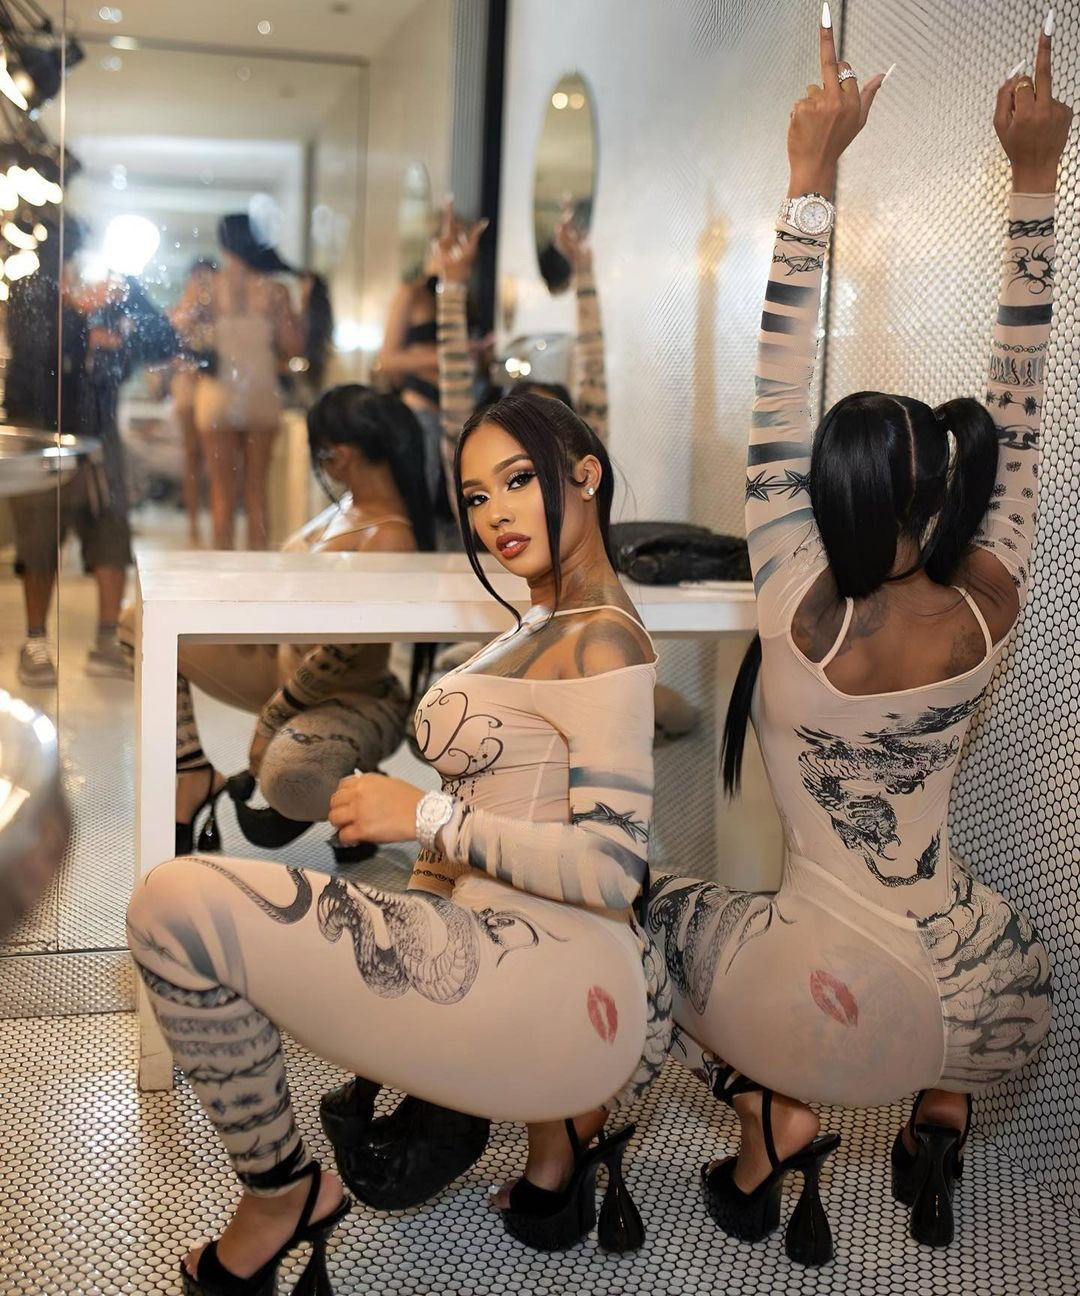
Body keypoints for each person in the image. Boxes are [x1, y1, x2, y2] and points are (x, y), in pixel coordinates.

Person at [645, 14, 1067, 1264]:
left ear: (825, 493)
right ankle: (937, 1115)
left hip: (823, 989)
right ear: (943, 499)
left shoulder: (800, 603)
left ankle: (775, 1123)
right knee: (951, 965)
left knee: (645, 908)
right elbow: (1020, 402)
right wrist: (1037, 178)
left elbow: (778, 378)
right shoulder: (988, 598)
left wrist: (812, 172)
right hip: (992, 998)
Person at [126, 389, 672, 1290]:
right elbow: (508, 796)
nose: (494, 515)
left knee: (171, 905)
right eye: (476, 496)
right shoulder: (546, 620)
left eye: (519, 481)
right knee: (182, 908)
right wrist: (414, 905)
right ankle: (555, 1156)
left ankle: (283, 1198)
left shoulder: (604, 641)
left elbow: (616, 871)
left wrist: (418, 814)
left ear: (587, 476)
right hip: (479, 934)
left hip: (545, 965)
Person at [118, 386, 432, 856]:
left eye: (321, 451)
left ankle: (354, 786)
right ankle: (192, 772)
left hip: (343, 691)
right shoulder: (347, 507)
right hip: (283, 662)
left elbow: (339, 654)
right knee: (137, 622)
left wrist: (271, 719)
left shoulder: (389, 537)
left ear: (341, 454)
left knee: (291, 779)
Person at [8, 218, 177, 685]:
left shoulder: (117, 287)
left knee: (111, 533)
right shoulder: (31, 290)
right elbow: (34, 352)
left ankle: (107, 639)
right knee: (39, 539)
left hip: (99, 431)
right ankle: (36, 640)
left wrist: (127, 304)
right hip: (41, 432)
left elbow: (163, 340)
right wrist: (82, 319)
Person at [179, 213, 303, 551]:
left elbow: (179, 329)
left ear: (223, 243)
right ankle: (258, 574)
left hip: (217, 393)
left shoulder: (205, 286)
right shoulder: (275, 290)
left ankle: (223, 574)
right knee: (257, 492)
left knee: (222, 494)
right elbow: (293, 346)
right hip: (261, 391)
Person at [169, 258, 218, 548]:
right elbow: (174, 332)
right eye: (197, 277)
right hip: (188, 384)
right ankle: (192, 522)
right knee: (191, 454)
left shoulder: (219, 307)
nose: (202, 283)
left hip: (213, 383)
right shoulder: (184, 305)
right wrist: (191, 302)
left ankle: (214, 518)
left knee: (214, 456)